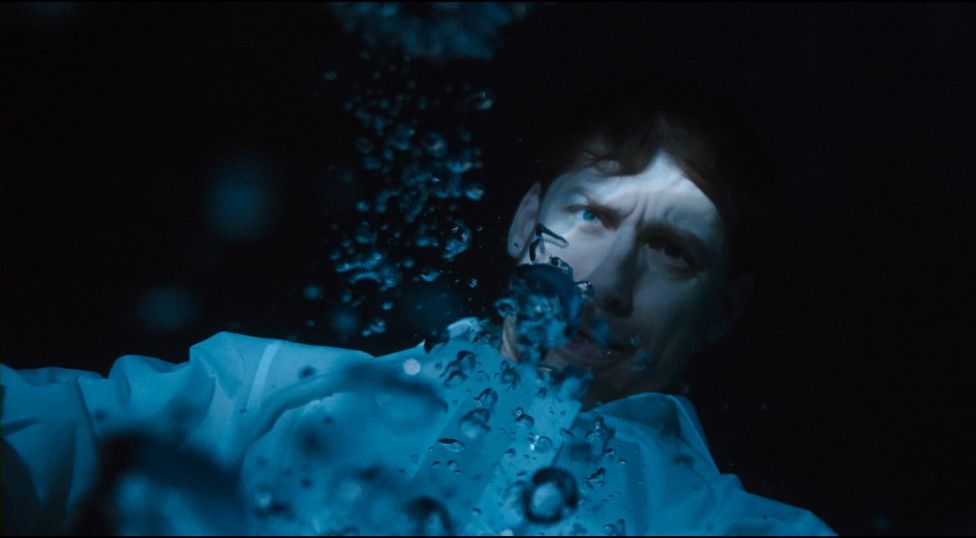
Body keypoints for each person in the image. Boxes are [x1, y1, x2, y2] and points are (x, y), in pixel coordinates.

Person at [1, 77, 834, 535]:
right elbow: (55, 435)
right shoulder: (264, 392)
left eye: (673, 252)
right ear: (525, 222)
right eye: (591, 217)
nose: (609, 283)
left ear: (723, 312)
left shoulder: (732, 528)